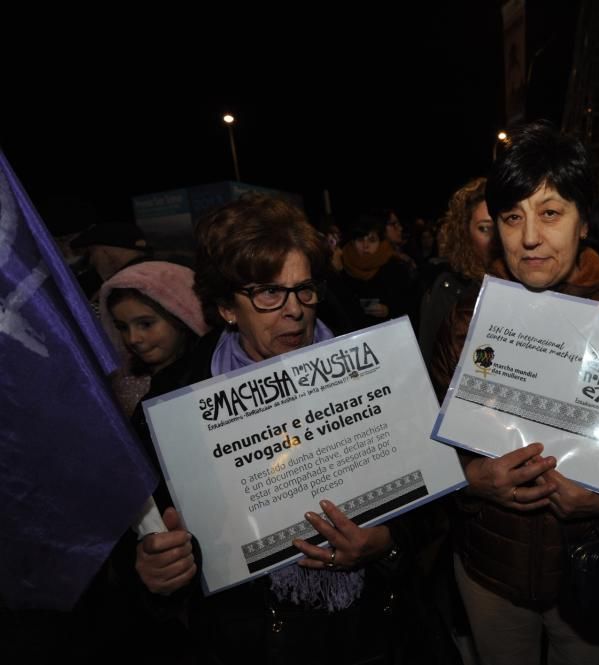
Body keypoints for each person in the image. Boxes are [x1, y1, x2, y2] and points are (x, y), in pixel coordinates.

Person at [129, 194, 434, 664]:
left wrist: (388, 543)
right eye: (268, 292)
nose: (295, 310)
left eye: (304, 288)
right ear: (227, 307)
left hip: (377, 629)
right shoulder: (175, 405)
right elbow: (153, 545)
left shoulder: (374, 365)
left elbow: (431, 499)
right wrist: (157, 573)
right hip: (258, 640)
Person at [431, 122, 599, 665]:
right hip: (489, 575)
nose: (529, 237)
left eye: (550, 213)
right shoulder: (469, 316)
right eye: (513, 217)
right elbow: (424, 438)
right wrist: (470, 481)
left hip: (592, 577)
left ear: (583, 222)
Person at [98, 261, 209, 416]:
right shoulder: (122, 387)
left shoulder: (214, 373)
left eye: (146, 324)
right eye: (122, 327)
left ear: (181, 317)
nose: (133, 338)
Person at [418, 177, 495, 366]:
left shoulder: (531, 283)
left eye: (505, 224)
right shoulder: (449, 288)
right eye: (484, 228)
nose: (496, 238)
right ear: (465, 233)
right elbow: (431, 363)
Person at [339, 212, 416, 327]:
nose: (365, 245)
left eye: (372, 240)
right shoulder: (344, 266)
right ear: (352, 242)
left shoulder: (395, 268)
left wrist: (388, 310)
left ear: (380, 242)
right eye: (360, 240)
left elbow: (410, 305)